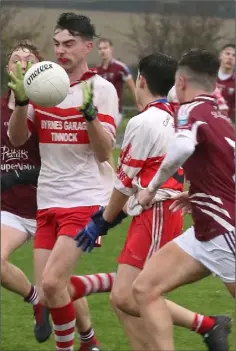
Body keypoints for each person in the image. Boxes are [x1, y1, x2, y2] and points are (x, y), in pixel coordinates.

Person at [74, 52, 232, 351]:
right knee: (135, 292)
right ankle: (206, 325)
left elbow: (135, 174)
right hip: (185, 220)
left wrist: (108, 217)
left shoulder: (167, 116)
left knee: (134, 293)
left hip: (192, 220)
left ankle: (209, 325)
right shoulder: (201, 114)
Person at [8, 12, 119, 351]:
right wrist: (22, 103)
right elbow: (16, 139)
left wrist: (89, 118)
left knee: (55, 281)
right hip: (48, 200)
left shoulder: (102, 89)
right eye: (56, 44)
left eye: (69, 44)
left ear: (88, 46)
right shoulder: (40, 83)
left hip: (86, 199)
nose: (61, 50)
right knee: (49, 290)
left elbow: (104, 153)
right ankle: (89, 342)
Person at [131, 48, 234, 350]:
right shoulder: (218, 114)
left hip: (224, 231)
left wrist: (152, 187)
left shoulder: (189, 110)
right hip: (205, 232)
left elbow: (182, 149)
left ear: (181, 80)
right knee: (145, 289)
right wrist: (199, 192)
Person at [1, 41, 51, 343]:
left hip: (49, 207)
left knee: (58, 287)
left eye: (28, 59)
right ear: (8, 69)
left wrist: (20, 174)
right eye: (15, 59)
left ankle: (89, 339)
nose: (21, 62)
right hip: (12, 210)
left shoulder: (48, 109)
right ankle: (35, 300)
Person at [96, 37, 138, 127]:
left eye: (105, 48)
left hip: (115, 110)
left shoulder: (120, 68)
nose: (102, 51)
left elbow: (132, 87)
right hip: (99, 111)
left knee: (109, 137)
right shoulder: (96, 70)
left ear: (111, 49)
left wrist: (139, 106)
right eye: (100, 49)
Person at [217, 43, 235, 121]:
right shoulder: (209, 75)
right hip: (206, 123)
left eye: (234, 55)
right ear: (220, 56)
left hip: (224, 125)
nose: (230, 57)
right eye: (227, 53)